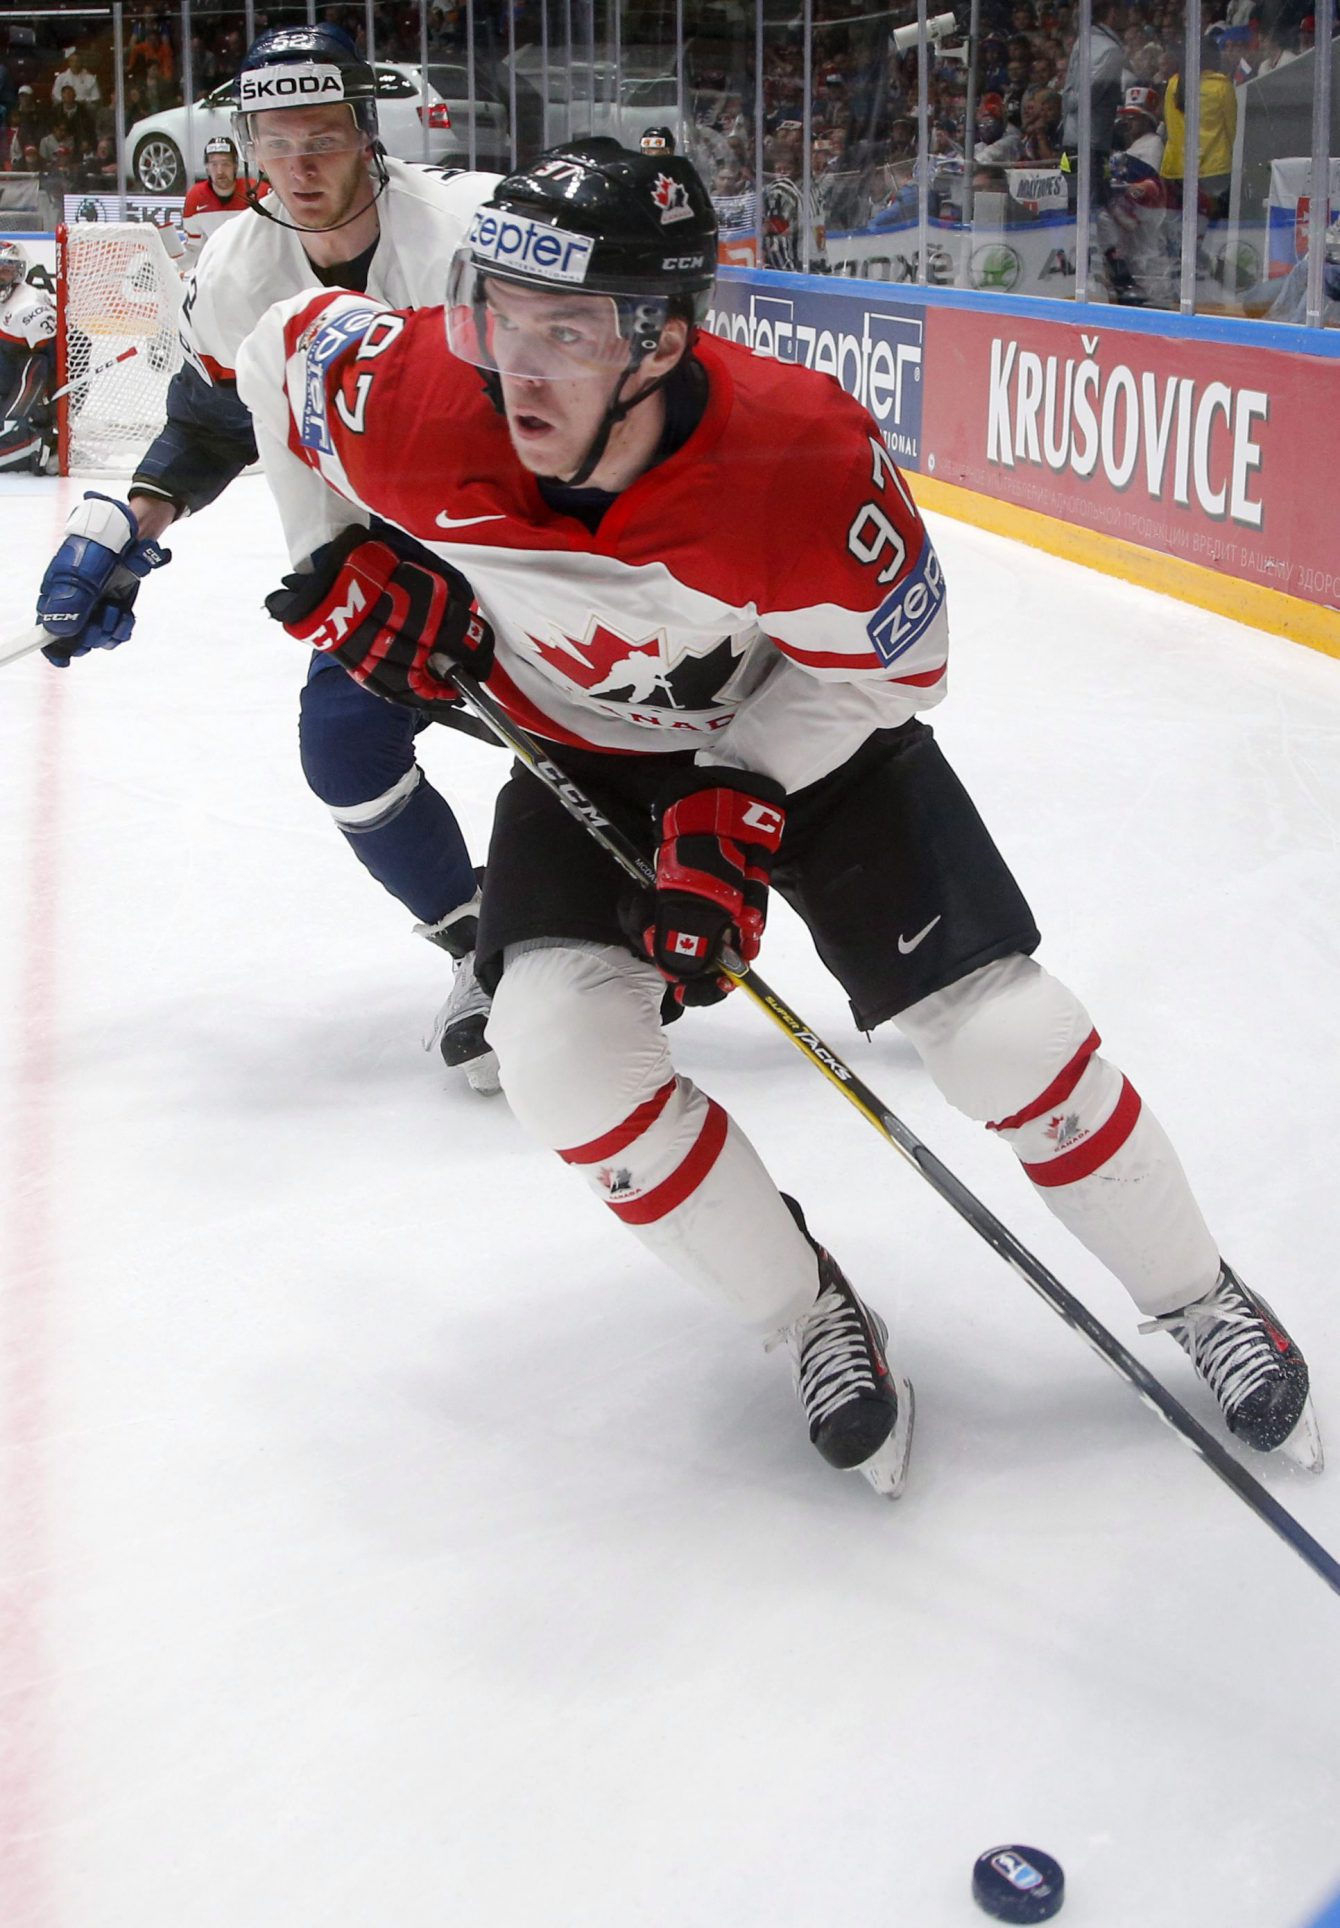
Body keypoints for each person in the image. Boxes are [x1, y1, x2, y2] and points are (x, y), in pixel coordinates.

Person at [237, 139, 1321, 1495]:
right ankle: (813, 1316)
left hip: (810, 743)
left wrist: (736, 783)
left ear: (663, 339)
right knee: (559, 1054)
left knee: (1006, 1036)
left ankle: (1198, 1291)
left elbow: (901, 672)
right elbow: (275, 345)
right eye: (501, 313)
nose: (518, 362)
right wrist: (329, 551)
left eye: (567, 328)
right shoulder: (412, 395)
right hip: (583, 752)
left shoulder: (796, 458)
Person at [31, 23, 504, 1092]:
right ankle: (489, 950)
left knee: (613, 756)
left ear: (365, 134)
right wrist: (125, 526)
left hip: (523, 552)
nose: (298, 162)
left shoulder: (464, 236)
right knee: (342, 750)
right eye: (273, 136)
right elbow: (208, 424)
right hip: (375, 572)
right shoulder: (241, 262)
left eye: (323, 133)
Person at [0, 238, 55, 472]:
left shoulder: (29, 306)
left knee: (37, 362)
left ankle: (31, 443)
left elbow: (49, 366)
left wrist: (41, 418)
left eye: (5, 270)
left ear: (18, 272)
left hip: (21, 404)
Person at [180, 134, 263, 263]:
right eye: (214, 164)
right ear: (207, 168)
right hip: (214, 271)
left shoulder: (259, 192)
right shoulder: (195, 197)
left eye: (225, 164)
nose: (220, 171)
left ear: (235, 166)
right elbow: (194, 250)